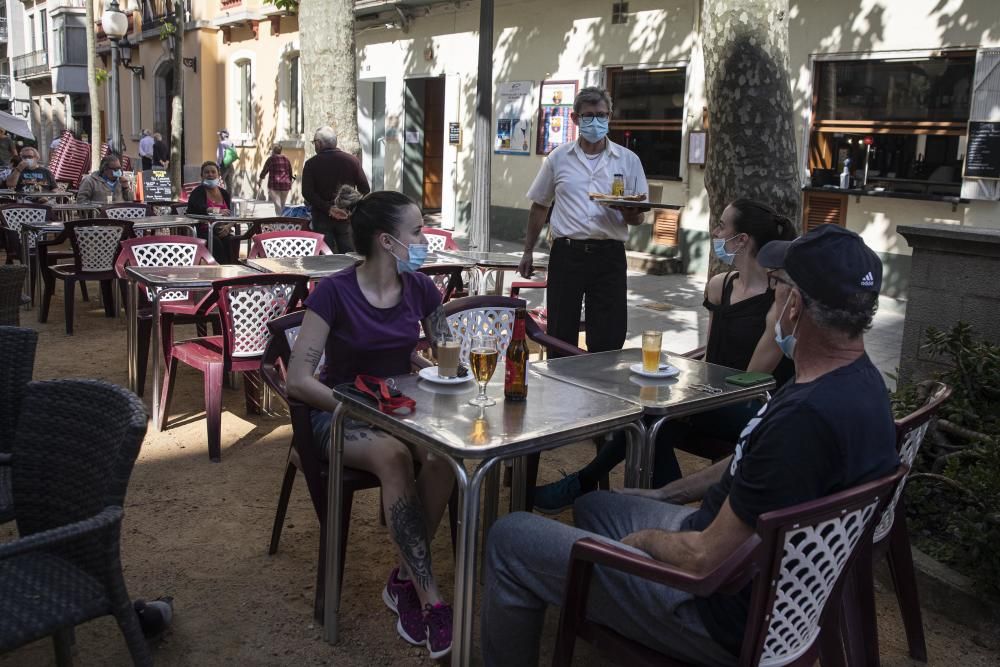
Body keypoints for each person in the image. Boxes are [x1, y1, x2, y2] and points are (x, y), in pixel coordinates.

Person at [482, 224, 900, 666]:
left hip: (712, 608)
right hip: (765, 584)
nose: (771, 296)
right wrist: (667, 493)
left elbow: (701, 561)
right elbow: (751, 459)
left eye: (776, 285)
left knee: (511, 538)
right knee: (596, 508)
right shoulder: (862, 387)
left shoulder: (804, 421)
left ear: (794, 306)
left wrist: (643, 542)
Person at [533, 199, 796, 512]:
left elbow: (753, 382)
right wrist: (686, 385)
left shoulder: (779, 297)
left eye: (721, 226)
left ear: (742, 240)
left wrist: (688, 398)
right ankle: (665, 510)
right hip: (713, 398)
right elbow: (711, 358)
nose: (714, 231)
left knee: (653, 415)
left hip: (756, 406)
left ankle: (587, 483)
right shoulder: (719, 286)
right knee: (648, 417)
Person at [286, 186, 454, 659]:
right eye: (418, 231)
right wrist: (354, 406)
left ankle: (402, 578)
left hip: (400, 408)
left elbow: (447, 358)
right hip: (339, 412)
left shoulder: (421, 287)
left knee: (442, 459)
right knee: (395, 456)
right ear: (387, 240)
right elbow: (298, 379)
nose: (426, 240)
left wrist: (434, 364)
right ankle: (430, 597)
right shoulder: (334, 292)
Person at [518, 86, 648, 353]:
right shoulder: (558, 158)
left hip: (609, 256)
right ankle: (561, 390)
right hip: (567, 254)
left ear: (609, 116)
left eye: (601, 115)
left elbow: (638, 218)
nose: (595, 122)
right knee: (560, 333)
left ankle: (602, 391)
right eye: (588, 116)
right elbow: (539, 206)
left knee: (609, 335)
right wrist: (527, 251)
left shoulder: (628, 160)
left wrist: (630, 213)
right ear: (575, 119)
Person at [301, 126, 370, 253]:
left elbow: (307, 193)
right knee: (349, 255)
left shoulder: (312, 163)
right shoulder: (352, 161)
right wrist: (350, 208)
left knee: (325, 256)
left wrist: (329, 209)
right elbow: (365, 189)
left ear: (319, 143)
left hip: (322, 216)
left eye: (314, 142)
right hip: (347, 217)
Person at [187, 161, 236, 264]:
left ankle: (232, 271)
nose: (210, 174)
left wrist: (228, 227)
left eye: (213, 172)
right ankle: (219, 271)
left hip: (221, 228)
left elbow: (232, 214)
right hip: (202, 230)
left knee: (230, 240)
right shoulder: (198, 192)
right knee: (215, 242)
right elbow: (200, 208)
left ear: (219, 175)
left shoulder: (224, 193)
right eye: (207, 172)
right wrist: (217, 210)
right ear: (202, 175)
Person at [258, 144, 293, 213]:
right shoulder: (286, 159)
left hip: (274, 185)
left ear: (273, 151)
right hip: (285, 185)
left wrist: (260, 180)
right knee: (282, 206)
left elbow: (264, 171)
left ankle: (279, 221)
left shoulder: (271, 159)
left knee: (278, 206)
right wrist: (290, 182)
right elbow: (290, 172)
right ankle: (282, 221)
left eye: (271, 149)